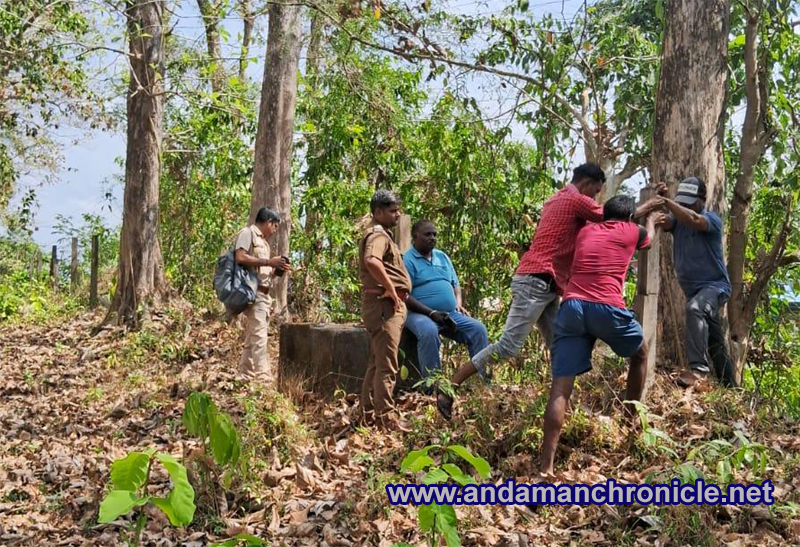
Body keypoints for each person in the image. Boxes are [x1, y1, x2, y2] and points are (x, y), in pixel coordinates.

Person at [435, 163, 664, 420]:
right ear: (587, 184)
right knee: (509, 346)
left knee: (562, 352)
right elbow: (615, 219)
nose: (595, 197)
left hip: (547, 283)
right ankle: (450, 386)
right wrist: (651, 207)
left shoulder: (556, 199)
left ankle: (567, 409)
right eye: (595, 191)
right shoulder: (575, 200)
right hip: (536, 281)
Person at [540, 196, 656, 475]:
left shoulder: (586, 231)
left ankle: (545, 469)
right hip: (606, 306)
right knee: (640, 352)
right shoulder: (633, 231)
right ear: (630, 218)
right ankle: (629, 420)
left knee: (560, 389)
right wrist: (653, 221)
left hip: (571, 307)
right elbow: (649, 240)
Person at [654, 177, 736, 388]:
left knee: (695, 309)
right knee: (715, 342)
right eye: (683, 203)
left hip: (715, 288)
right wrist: (658, 201)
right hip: (694, 291)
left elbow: (694, 220)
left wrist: (667, 202)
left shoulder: (711, 220)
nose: (687, 207)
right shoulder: (678, 222)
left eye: (690, 203)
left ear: (702, 200)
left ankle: (698, 370)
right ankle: (731, 386)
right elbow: (665, 221)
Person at [402, 219, 489, 380]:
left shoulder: (442, 257)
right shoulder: (407, 260)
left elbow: (455, 284)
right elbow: (405, 295)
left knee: (478, 329)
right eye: (427, 234)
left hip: (449, 314)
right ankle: (433, 384)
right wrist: (431, 312)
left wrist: (458, 304)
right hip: (419, 314)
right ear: (415, 236)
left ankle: (484, 381)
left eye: (434, 234)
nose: (432, 238)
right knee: (428, 331)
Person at [359, 189, 413, 429]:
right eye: (392, 211)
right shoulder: (378, 235)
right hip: (384, 307)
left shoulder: (383, 235)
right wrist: (391, 288)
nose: (397, 214)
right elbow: (372, 261)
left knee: (377, 362)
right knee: (387, 365)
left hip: (386, 306)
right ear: (378, 212)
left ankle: (369, 413)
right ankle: (385, 418)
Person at [234, 207, 292, 379]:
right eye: (275, 226)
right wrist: (268, 261)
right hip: (252, 292)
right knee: (260, 337)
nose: (275, 230)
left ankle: (244, 374)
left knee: (253, 336)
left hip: (264, 294)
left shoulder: (264, 243)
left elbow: (263, 272)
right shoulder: (247, 233)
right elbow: (240, 257)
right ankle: (263, 377)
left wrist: (277, 270)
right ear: (268, 222)